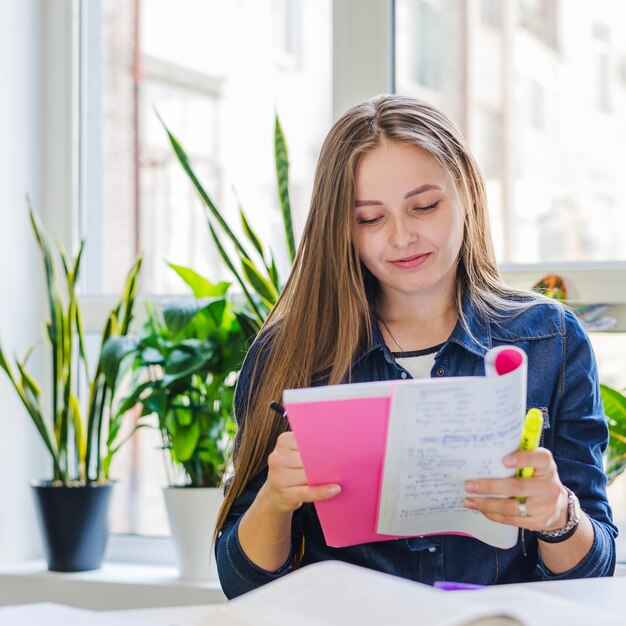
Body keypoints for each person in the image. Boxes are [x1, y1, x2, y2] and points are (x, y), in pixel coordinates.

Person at [215, 94, 617, 599]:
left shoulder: (551, 339)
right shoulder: (289, 353)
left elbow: (592, 575)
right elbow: (240, 583)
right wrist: (275, 499)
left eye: (424, 206)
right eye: (369, 218)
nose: (402, 237)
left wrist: (556, 515)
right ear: (342, 227)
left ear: (467, 193)